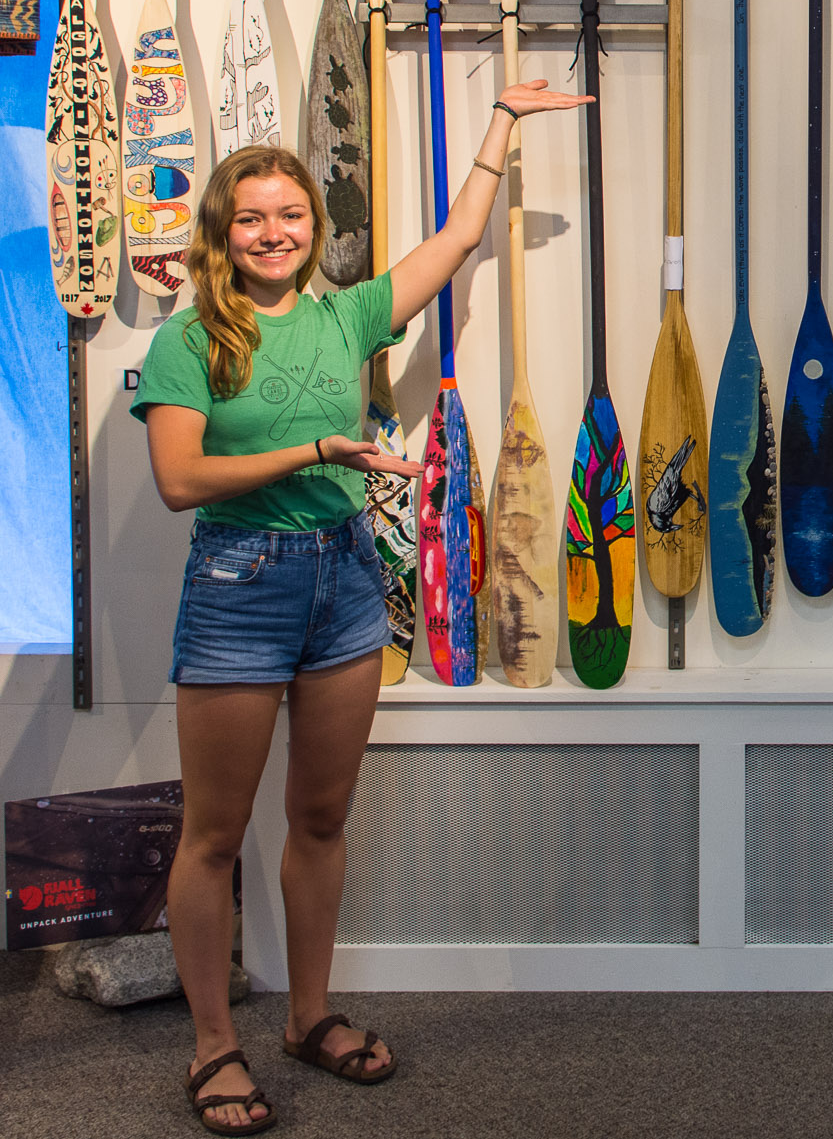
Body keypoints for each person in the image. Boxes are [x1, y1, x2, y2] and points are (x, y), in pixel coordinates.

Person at [135, 82, 587, 1134]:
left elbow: (459, 237)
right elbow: (181, 479)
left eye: (289, 213)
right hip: (238, 587)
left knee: (322, 817)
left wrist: (504, 120)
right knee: (213, 834)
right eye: (250, 216)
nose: (272, 231)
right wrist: (319, 451)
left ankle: (306, 1016)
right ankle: (213, 1047)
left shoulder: (346, 315)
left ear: (313, 227)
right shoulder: (191, 340)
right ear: (221, 231)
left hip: (344, 580)